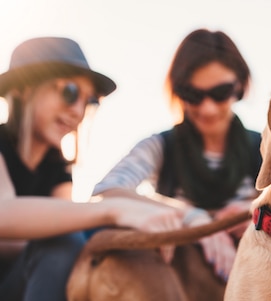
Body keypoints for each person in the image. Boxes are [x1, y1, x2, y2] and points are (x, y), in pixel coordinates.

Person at [0, 37, 185, 301]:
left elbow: (65, 226)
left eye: (89, 101)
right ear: (22, 89)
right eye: (70, 92)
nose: (78, 111)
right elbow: (4, 216)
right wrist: (114, 210)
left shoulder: (56, 165)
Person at [92, 29, 262, 287]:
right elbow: (106, 191)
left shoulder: (265, 147)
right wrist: (192, 218)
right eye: (193, 95)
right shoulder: (161, 146)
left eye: (220, 93)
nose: (207, 108)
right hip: (178, 283)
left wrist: (257, 210)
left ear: (239, 86)